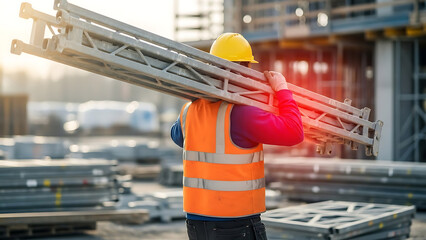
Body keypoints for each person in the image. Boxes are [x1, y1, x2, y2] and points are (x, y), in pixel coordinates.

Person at [170, 33, 304, 240]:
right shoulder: (243, 114)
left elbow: (177, 136)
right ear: (245, 69)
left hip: (196, 224)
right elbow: (294, 132)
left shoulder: (189, 111)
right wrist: (282, 90)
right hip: (235, 224)